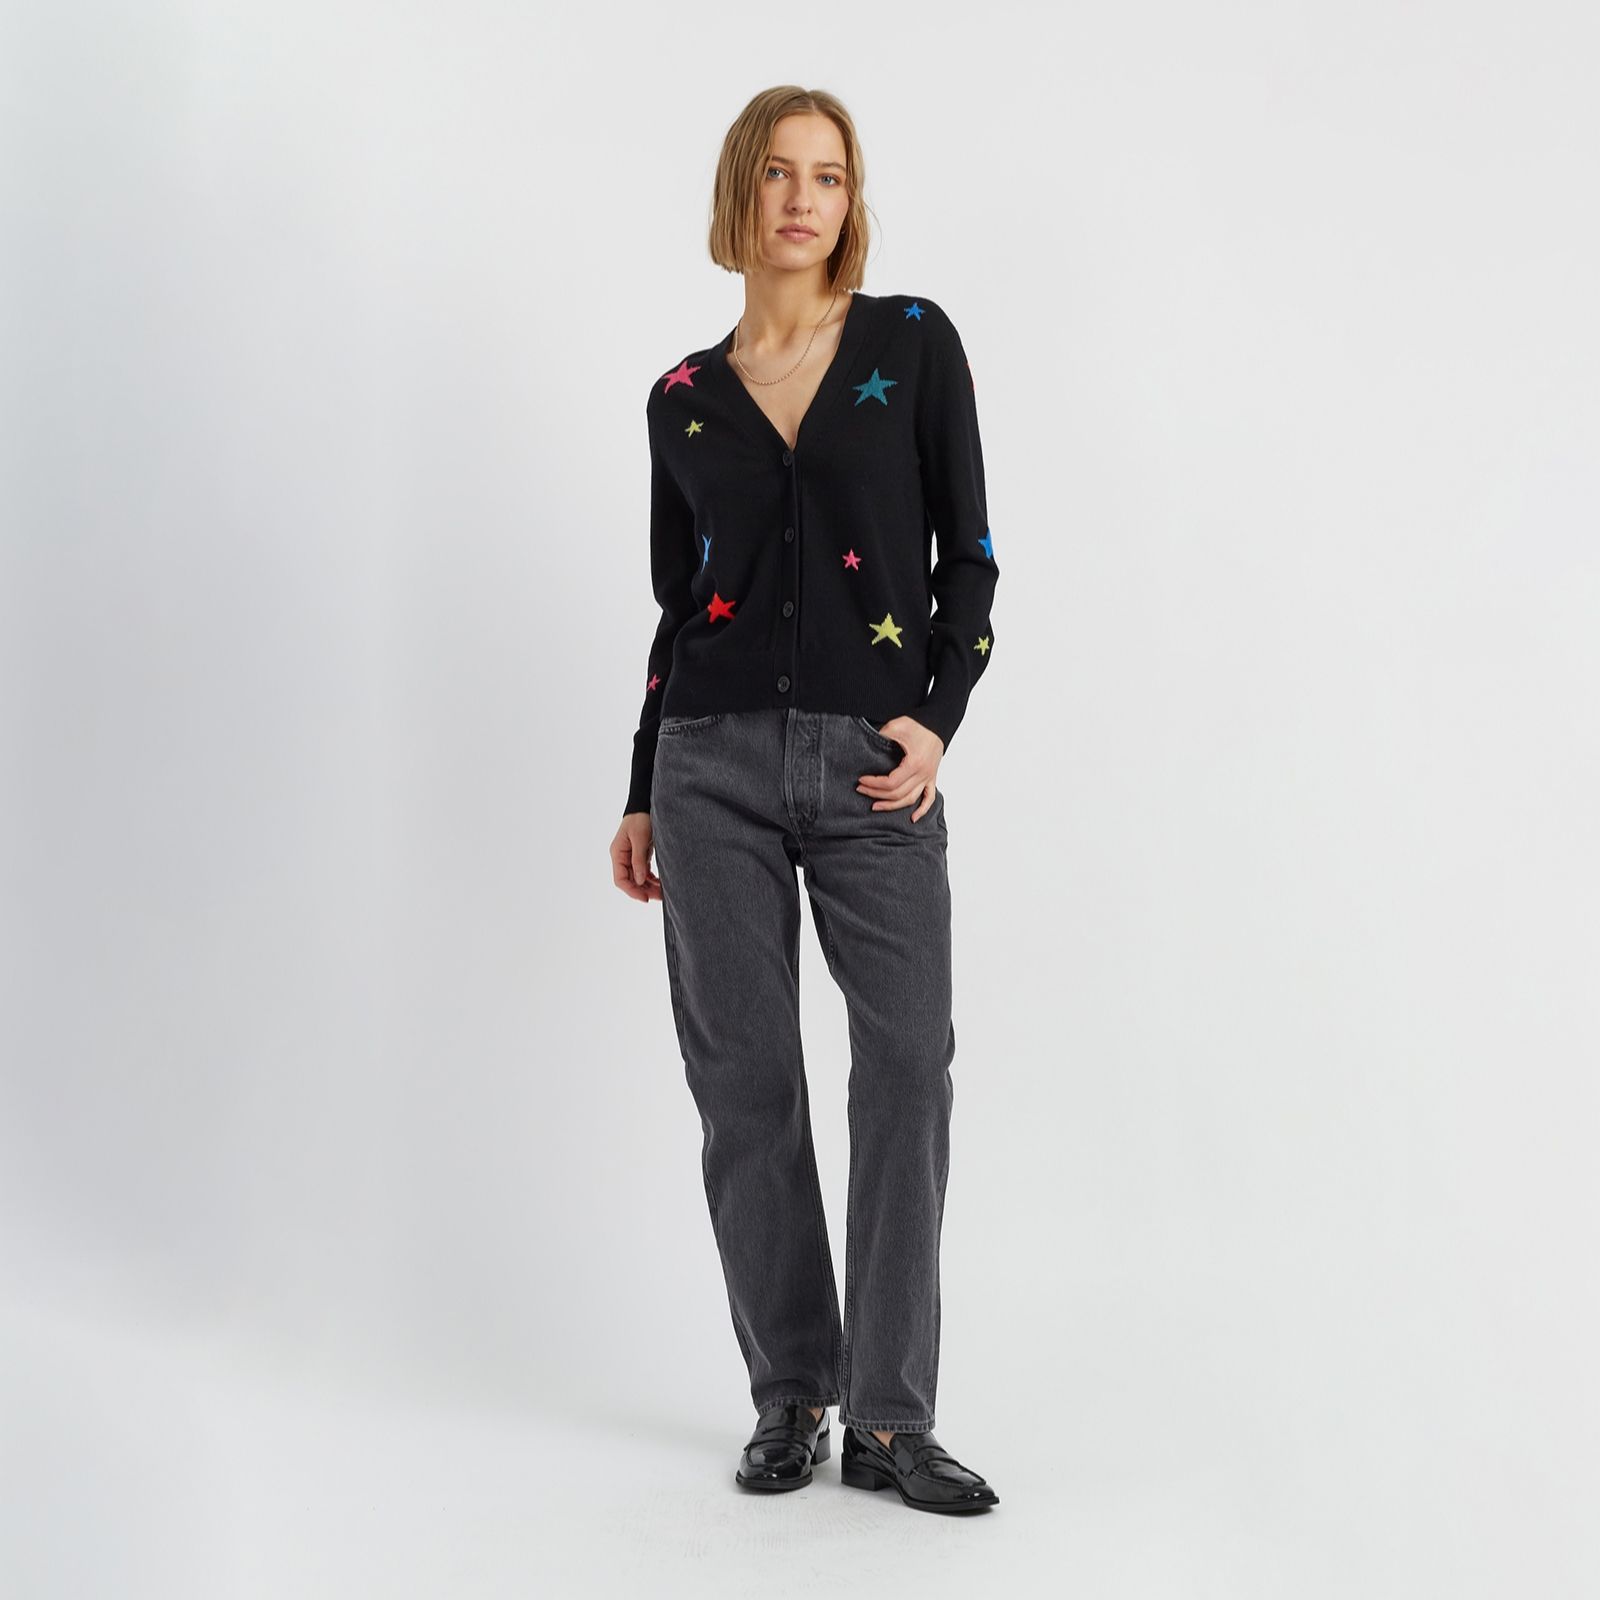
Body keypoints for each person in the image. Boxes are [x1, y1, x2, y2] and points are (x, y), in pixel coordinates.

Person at [608, 86, 1001, 1516]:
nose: (801, 199)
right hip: (708, 765)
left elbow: (972, 557)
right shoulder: (681, 399)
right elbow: (680, 607)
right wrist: (643, 786)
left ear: (851, 202)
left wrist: (938, 717)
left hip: (871, 763)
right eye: (777, 173)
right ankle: (792, 1392)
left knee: (905, 1065)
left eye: (827, 177)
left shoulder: (911, 342)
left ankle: (891, 1417)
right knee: (745, 1080)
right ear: (742, 193)